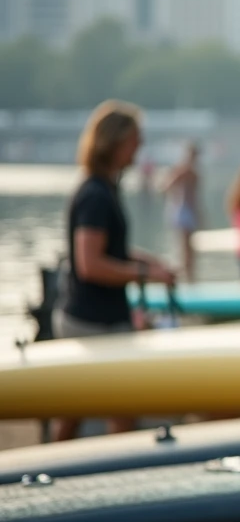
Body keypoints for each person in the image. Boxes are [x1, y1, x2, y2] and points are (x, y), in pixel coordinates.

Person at [54, 100, 176, 441]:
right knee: (118, 405)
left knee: (78, 408)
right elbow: (89, 264)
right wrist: (145, 275)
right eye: (135, 139)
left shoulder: (104, 188)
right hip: (92, 319)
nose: (140, 146)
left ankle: (58, 466)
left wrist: (148, 262)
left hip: (98, 314)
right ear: (115, 142)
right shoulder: (95, 194)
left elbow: (109, 251)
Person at [161, 141, 201, 282]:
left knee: (188, 246)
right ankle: (187, 278)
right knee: (185, 246)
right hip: (182, 210)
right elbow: (166, 186)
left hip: (186, 209)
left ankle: (189, 277)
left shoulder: (190, 171)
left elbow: (194, 197)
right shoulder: (184, 170)